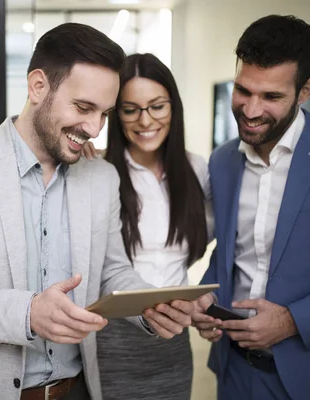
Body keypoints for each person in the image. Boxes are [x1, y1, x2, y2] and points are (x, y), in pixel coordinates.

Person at [0, 23, 194, 400]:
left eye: (104, 113)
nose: (93, 128)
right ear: (38, 85)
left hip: (77, 390)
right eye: (83, 107)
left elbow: (111, 271)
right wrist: (28, 313)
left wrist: (149, 305)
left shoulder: (101, 177)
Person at [191, 15, 310, 400]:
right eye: (242, 90)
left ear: (305, 91)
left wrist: (292, 321)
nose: (251, 110)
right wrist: (204, 297)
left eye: (271, 97)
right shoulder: (222, 161)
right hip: (234, 373)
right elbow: (230, 254)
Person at [83, 53, 211, 399]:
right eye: (130, 109)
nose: (145, 120)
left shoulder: (197, 171)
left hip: (174, 341)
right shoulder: (96, 172)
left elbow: (230, 238)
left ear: (173, 107)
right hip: (112, 340)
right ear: (116, 113)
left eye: (157, 106)